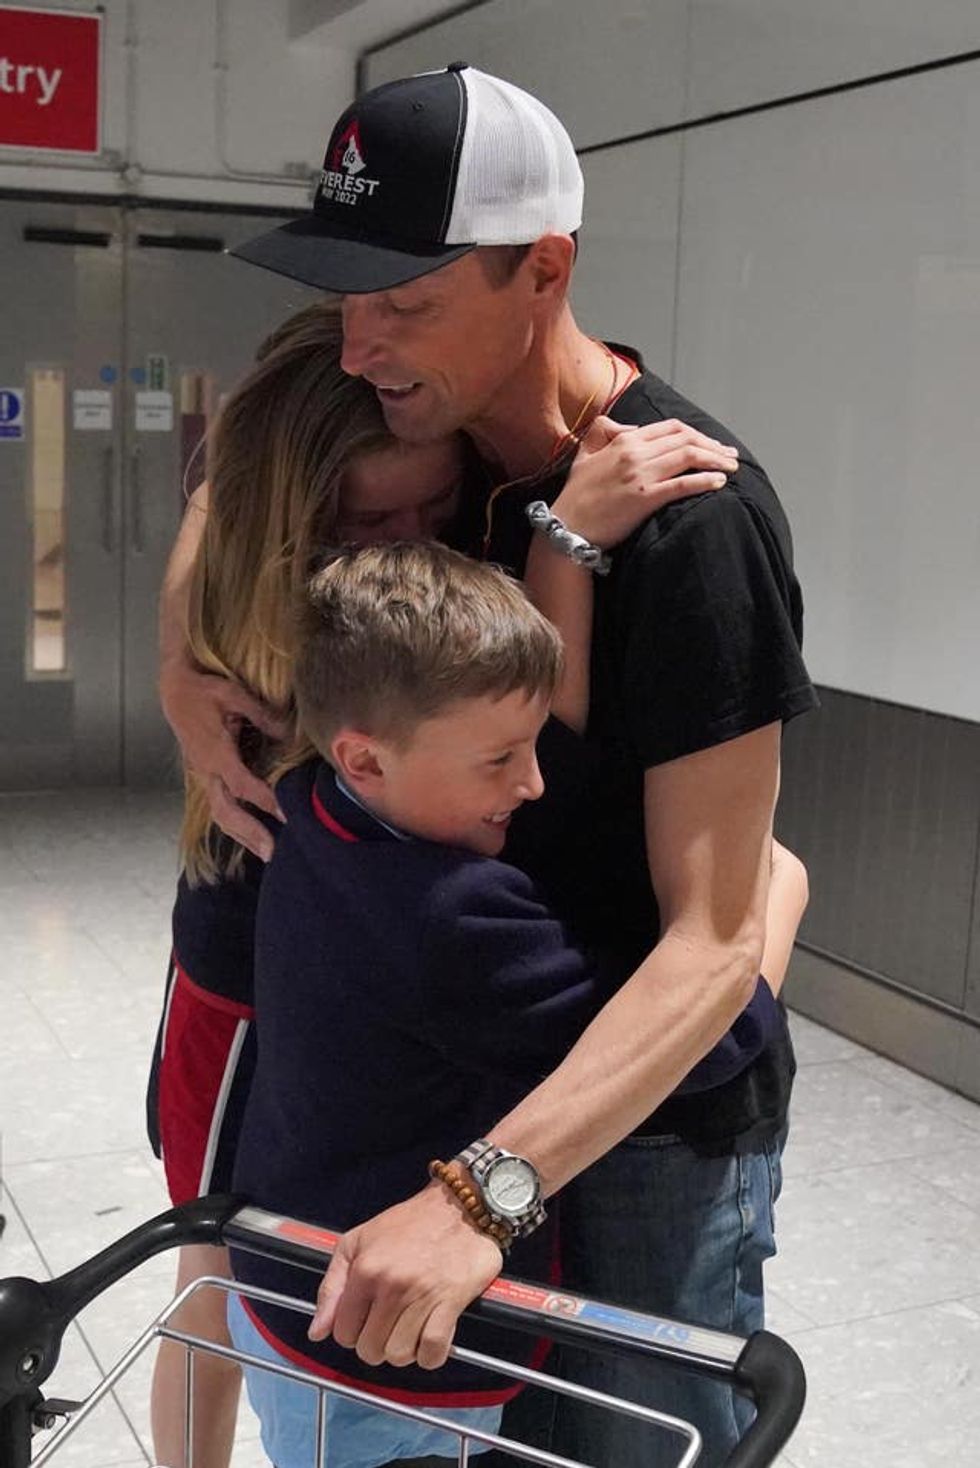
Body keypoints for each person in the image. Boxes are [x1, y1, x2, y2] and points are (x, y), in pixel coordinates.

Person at [161, 66, 818, 1465]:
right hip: (486, 1081)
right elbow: (250, 466)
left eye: (405, 302)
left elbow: (712, 948)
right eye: (349, 297)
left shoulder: (691, 523)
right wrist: (181, 663)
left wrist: (476, 1201)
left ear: (546, 269)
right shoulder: (445, 455)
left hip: (644, 1132)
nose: (362, 346)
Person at [227, 541, 809, 1468]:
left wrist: (563, 548)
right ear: (365, 757)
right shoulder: (453, 916)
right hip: (393, 1359)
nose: (533, 783)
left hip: (281, 1289)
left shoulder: (315, 804)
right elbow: (706, 1038)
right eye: (500, 758)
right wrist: (771, 903)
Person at [147, 300, 468, 1468]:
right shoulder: (278, 618)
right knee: (213, 1260)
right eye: (372, 518)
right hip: (243, 985)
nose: (415, 542)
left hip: (313, 976)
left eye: (436, 506)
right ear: (291, 524)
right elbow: (235, 469)